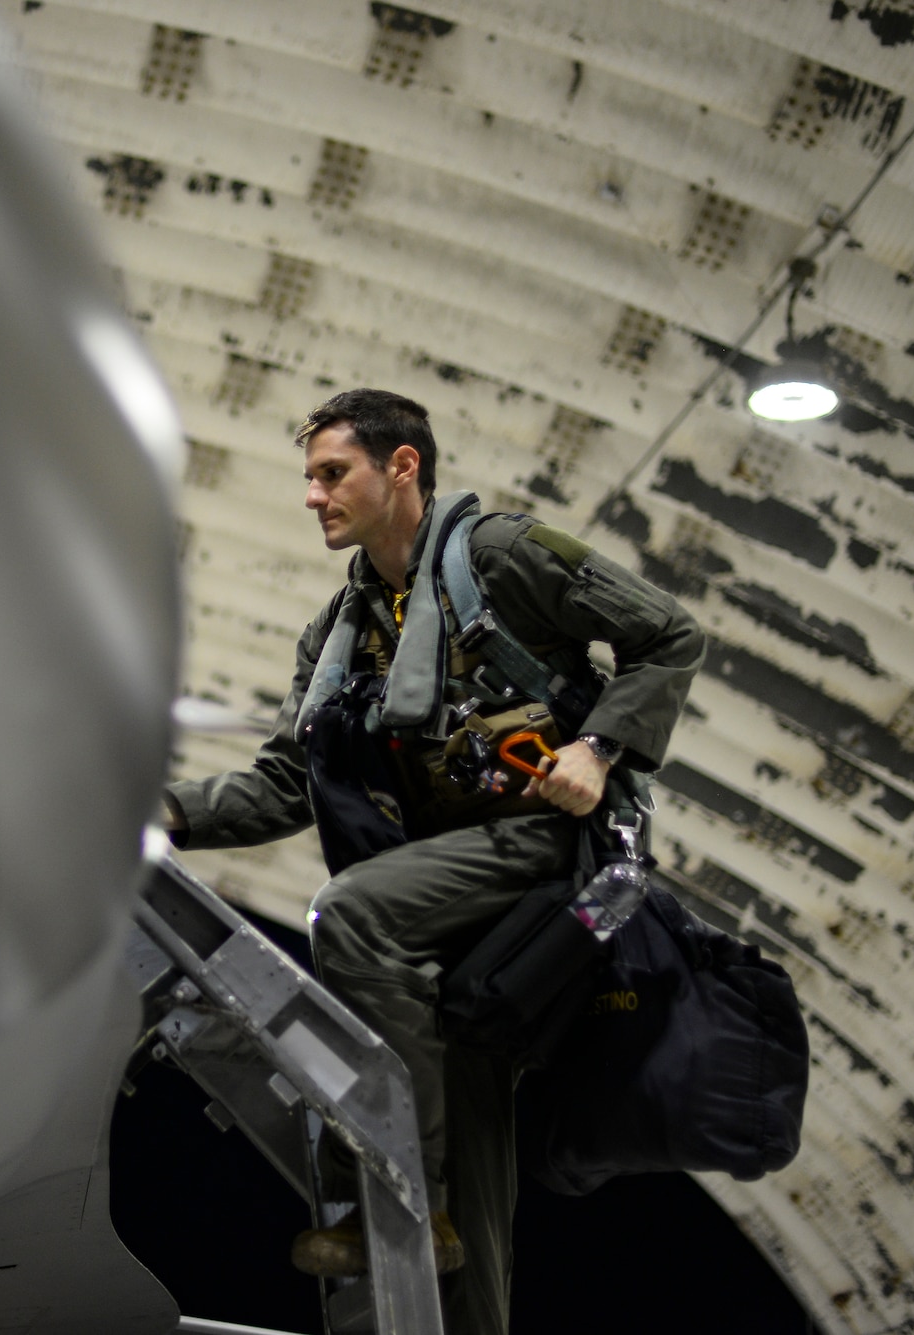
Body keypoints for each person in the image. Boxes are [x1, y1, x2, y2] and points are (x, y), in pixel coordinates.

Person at [160, 388, 704, 1335]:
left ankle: (394, 1179)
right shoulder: (336, 638)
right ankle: (437, 1216)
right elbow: (287, 784)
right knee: (473, 1211)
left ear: (401, 467)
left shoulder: (502, 558)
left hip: (545, 856)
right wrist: (162, 813)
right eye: (310, 477)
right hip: (452, 925)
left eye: (333, 473)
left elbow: (670, 634)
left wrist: (598, 748)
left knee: (354, 912)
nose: (313, 495)